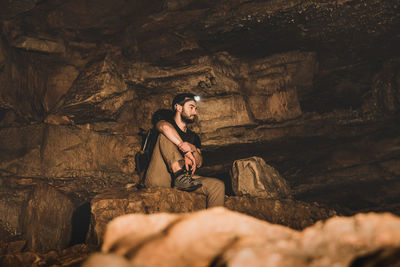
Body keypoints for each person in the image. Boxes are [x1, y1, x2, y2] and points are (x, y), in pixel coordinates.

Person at [145, 93, 225, 208]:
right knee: (164, 136)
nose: (195, 112)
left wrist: (192, 148)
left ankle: (213, 224)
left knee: (218, 185)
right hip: (160, 177)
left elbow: (199, 162)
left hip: (186, 182)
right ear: (178, 107)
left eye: (196, 109)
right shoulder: (163, 120)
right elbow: (165, 128)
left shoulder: (193, 137)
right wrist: (185, 151)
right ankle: (179, 177)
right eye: (191, 107)